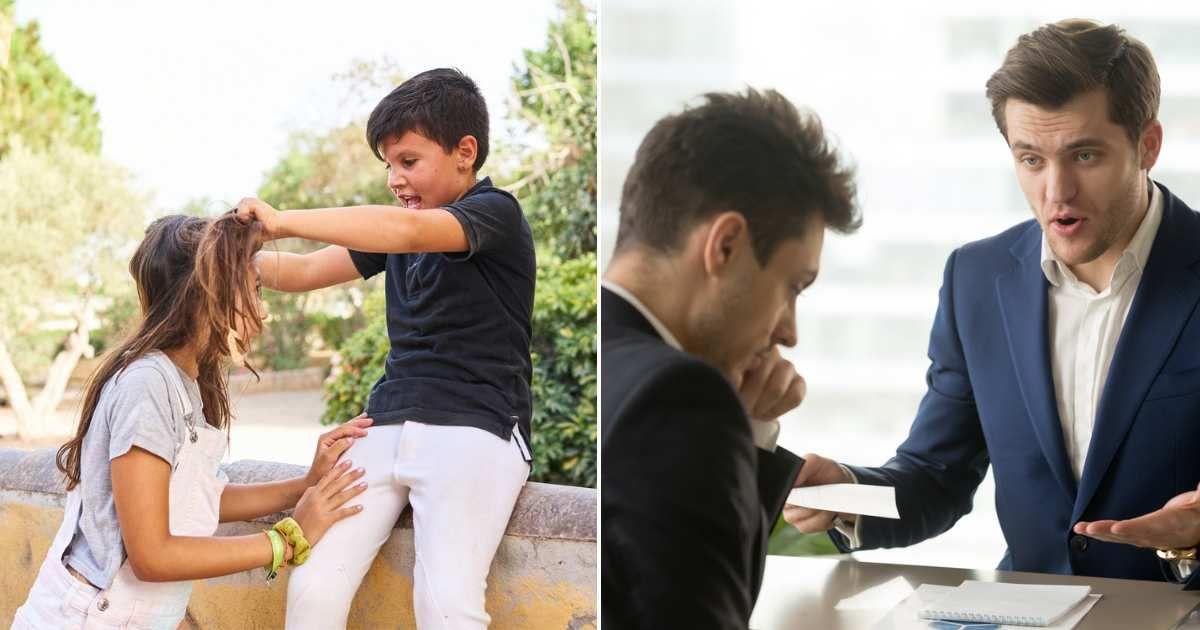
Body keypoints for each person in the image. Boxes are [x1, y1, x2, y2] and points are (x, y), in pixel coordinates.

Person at [787, 19, 1200, 589]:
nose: (1056, 191)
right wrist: (848, 493)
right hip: (1025, 616)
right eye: (1031, 159)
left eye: (1084, 156)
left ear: (1148, 145)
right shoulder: (976, 279)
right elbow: (937, 474)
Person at [233, 67, 535, 629]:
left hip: (476, 425)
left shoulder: (495, 213)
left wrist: (282, 220)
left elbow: (407, 232)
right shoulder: (400, 231)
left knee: (446, 606)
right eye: (388, 166)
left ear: (465, 152)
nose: (395, 180)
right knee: (314, 585)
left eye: (408, 161)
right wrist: (225, 254)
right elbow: (302, 272)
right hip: (384, 423)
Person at [12, 214, 370, 629]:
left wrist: (304, 484)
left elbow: (194, 501)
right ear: (209, 292)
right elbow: (152, 555)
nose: (263, 310)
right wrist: (284, 541)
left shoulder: (184, 381)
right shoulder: (147, 384)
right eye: (254, 288)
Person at [601, 88, 862, 628]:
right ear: (725, 246)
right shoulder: (679, 398)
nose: (788, 332)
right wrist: (742, 435)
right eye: (793, 286)